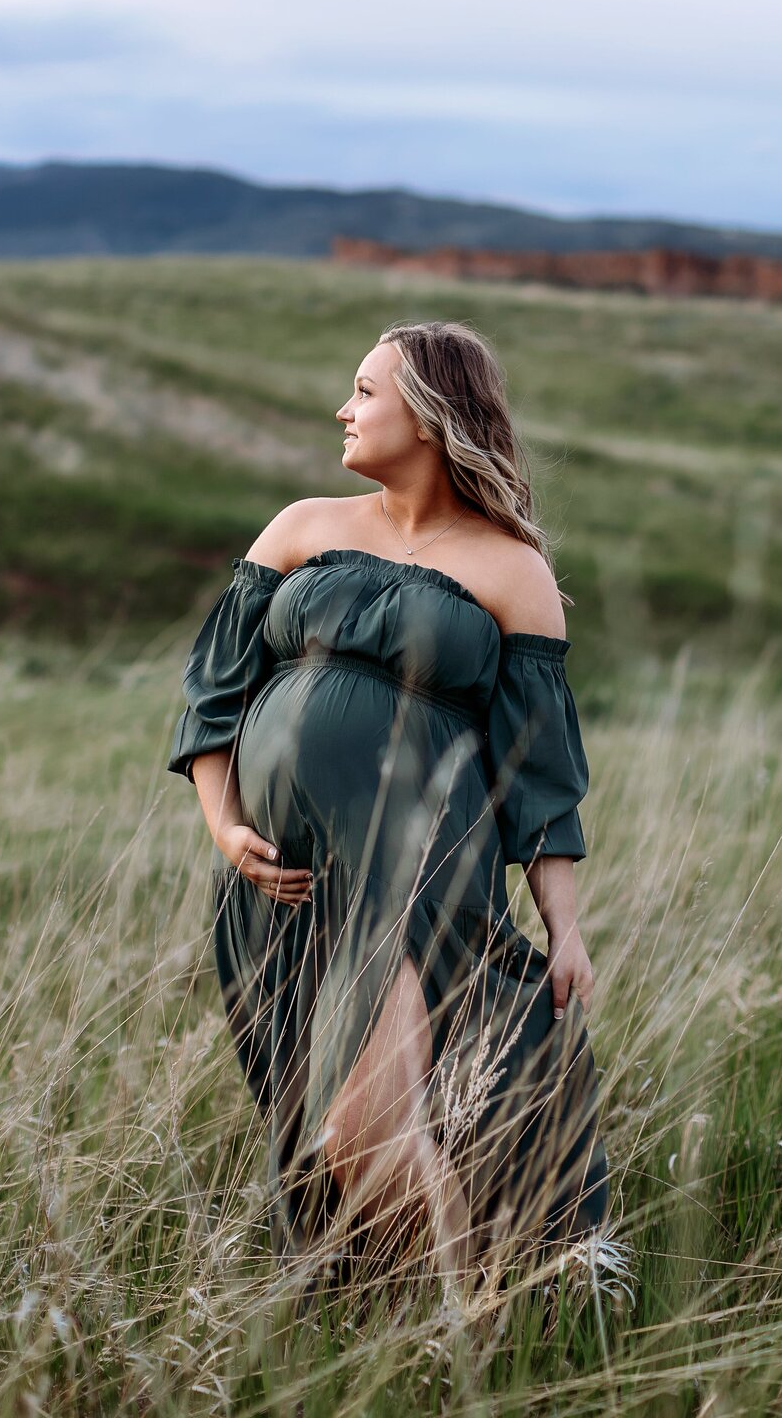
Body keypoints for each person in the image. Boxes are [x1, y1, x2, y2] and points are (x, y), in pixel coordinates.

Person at [167, 318, 610, 1302]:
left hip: (414, 882)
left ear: (430, 414)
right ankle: (415, 1327)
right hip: (275, 885)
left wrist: (564, 922)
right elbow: (214, 694)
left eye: (364, 391)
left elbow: (537, 770)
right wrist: (223, 823)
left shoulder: (511, 571)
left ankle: (470, 1340)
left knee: (362, 1131)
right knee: (318, 1130)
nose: (344, 408)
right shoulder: (300, 527)